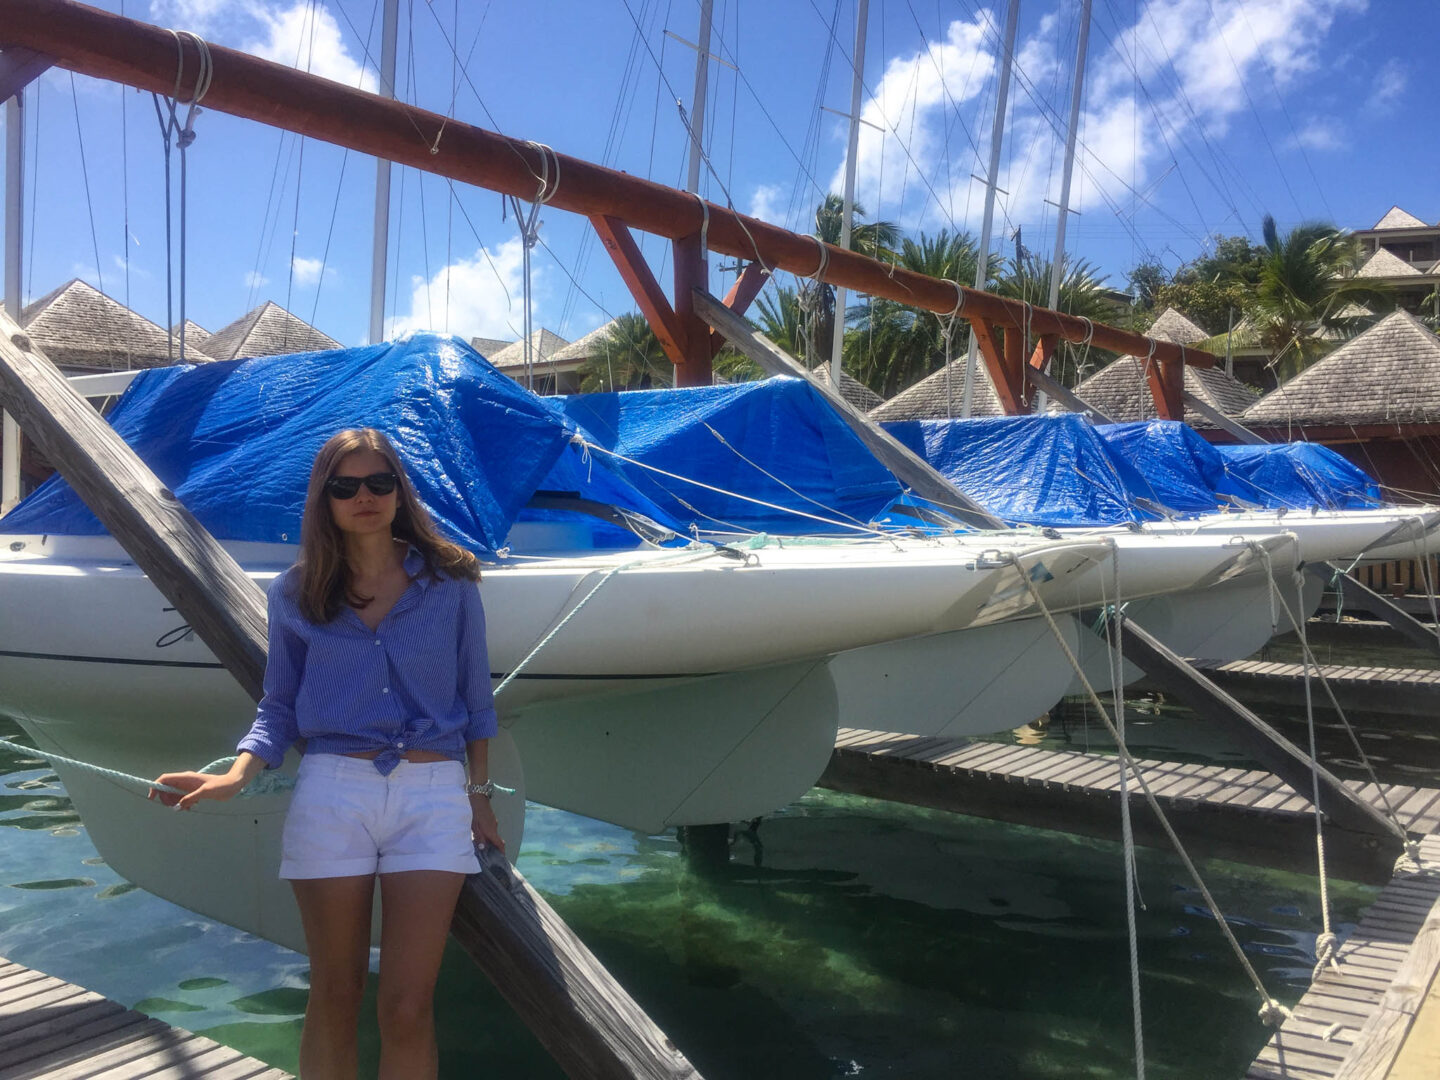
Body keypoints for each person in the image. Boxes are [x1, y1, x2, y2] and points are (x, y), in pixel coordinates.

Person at [150, 427, 503, 1080]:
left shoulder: (451, 579)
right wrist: (235, 773)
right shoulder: (295, 592)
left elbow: (476, 701)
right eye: (346, 486)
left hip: (432, 797)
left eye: (379, 482)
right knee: (335, 995)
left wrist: (480, 799)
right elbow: (278, 706)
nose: (364, 497)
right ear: (325, 499)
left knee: (406, 1007)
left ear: (400, 491)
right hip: (332, 793)